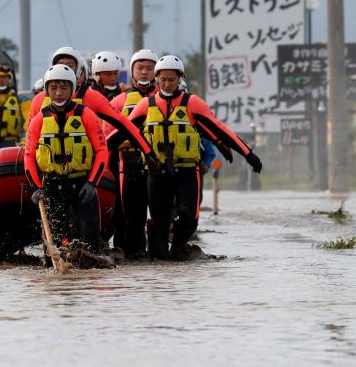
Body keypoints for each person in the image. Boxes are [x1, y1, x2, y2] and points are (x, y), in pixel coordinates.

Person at [107, 55, 262, 260]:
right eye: (163, 79)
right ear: (157, 79)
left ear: (179, 79)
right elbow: (122, 132)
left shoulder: (193, 103)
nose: (167, 84)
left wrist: (248, 154)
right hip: (157, 173)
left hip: (187, 171)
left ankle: (179, 247)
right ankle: (160, 261)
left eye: (172, 79)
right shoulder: (146, 105)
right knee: (160, 224)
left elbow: (220, 129)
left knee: (190, 217)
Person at [24, 64, 109, 253]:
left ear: (72, 89)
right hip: (53, 184)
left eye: (63, 88)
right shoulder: (38, 120)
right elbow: (29, 156)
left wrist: (92, 183)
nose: (58, 93)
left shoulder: (87, 115)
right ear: (47, 90)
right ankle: (58, 267)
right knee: (56, 234)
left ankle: (89, 265)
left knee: (87, 234)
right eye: (53, 88)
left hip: (82, 183)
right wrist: (36, 187)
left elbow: (102, 151)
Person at [29, 46, 154, 158]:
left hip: (84, 173)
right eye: (60, 64)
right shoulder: (39, 100)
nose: (64, 69)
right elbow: (29, 142)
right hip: (48, 172)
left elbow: (125, 125)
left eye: (69, 65)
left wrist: (149, 153)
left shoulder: (92, 97)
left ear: (79, 70)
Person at [106, 49, 160, 257]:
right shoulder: (119, 101)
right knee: (128, 216)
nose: (145, 72)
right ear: (132, 71)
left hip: (158, 164)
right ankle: (128, 255)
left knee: (159, 215)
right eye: (140, 68)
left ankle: (157, 254)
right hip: (128, 163)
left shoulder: (165, 98)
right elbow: (107, 137)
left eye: (149, 68)